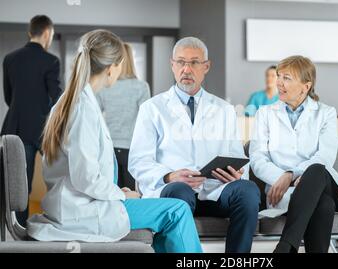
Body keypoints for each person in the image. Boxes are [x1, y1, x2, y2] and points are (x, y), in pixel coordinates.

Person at [26, 30, 202, 253]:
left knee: (165, 213)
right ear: (112, 68)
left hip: (79, 205)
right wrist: (121, 194)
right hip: (84, 213)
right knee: (177, 211)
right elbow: (85, 178)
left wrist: (117, 192)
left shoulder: (72, 101)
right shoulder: (82, 109)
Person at [129, 37, 260, 253]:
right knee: (180, 191)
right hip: (175, 190)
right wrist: (170, 176)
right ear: (172, 65)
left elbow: (237, 157)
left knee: (247, 190)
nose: (186, 69)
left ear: (206, 66)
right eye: (180, 62)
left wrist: (237, 174)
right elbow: (138, 161)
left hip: (215, 190)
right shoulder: (152, 108)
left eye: (194, 62)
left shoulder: (224, 109)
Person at [250, 56, 338, 253]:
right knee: (323, 205)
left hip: (328, 186)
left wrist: (290, 174)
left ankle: (285, 246)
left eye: (286, 77)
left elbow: (325, 157)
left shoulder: (326, 113)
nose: (278, 82)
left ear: (305, 86)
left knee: (316, 170)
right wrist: (282, 178)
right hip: (284, 192)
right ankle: (287, 248)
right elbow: (257, 158)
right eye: (279, 76)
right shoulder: (265, 113)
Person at [1, 15, 62, 227]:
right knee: (58, 179)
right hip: (45, 129)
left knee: (20, 183)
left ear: (31, 32)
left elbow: (9, 97)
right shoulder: (51, 61)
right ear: (46, 33)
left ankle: (18, 229)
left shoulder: (10, 59)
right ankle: (57, 223)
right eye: (51, 36)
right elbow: (57, 98)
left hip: (16, 127)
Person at [96, 43, 150, 190]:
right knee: (132, 195)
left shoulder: (105, 87)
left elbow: (95, 114)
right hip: (131, 149)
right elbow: (147, 122)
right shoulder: (141, 87)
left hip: (109, 149)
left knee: (112, 195)